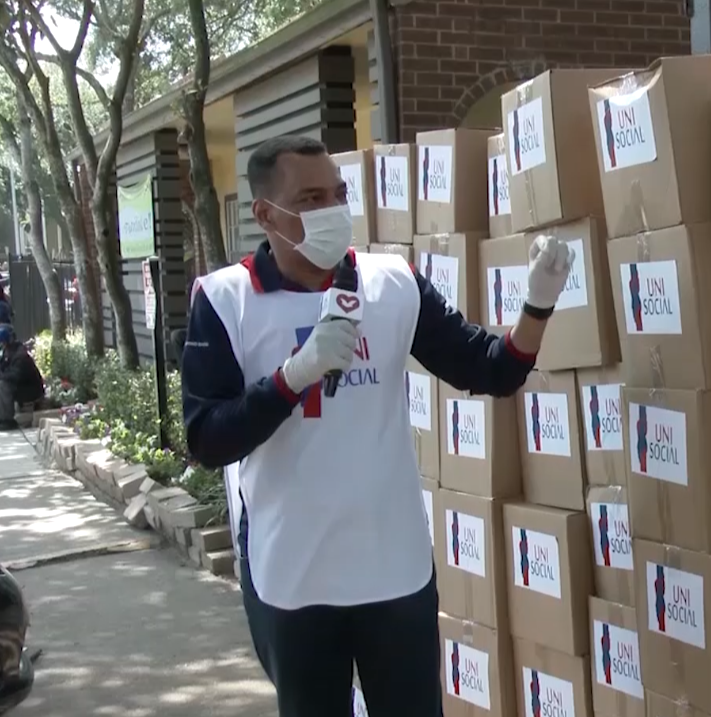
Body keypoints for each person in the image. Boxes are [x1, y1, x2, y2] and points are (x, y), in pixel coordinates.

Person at [180, 135, 574, 717]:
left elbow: (493, 371)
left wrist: (537, 304)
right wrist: (296, 375)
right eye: (310, 198)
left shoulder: (392, 284)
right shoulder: (225, 299)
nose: (332, 211)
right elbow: (207, 437)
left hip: (393, 568)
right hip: (294, 574)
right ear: (265, 214)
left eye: (338, 194)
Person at [0, 326, 43, 430]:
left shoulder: (20, 356)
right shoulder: (6, 353)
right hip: (16, 386)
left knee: (1, 385)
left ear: (3, 344)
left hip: (28, 389)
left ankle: (6, 420)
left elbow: (14, 376)